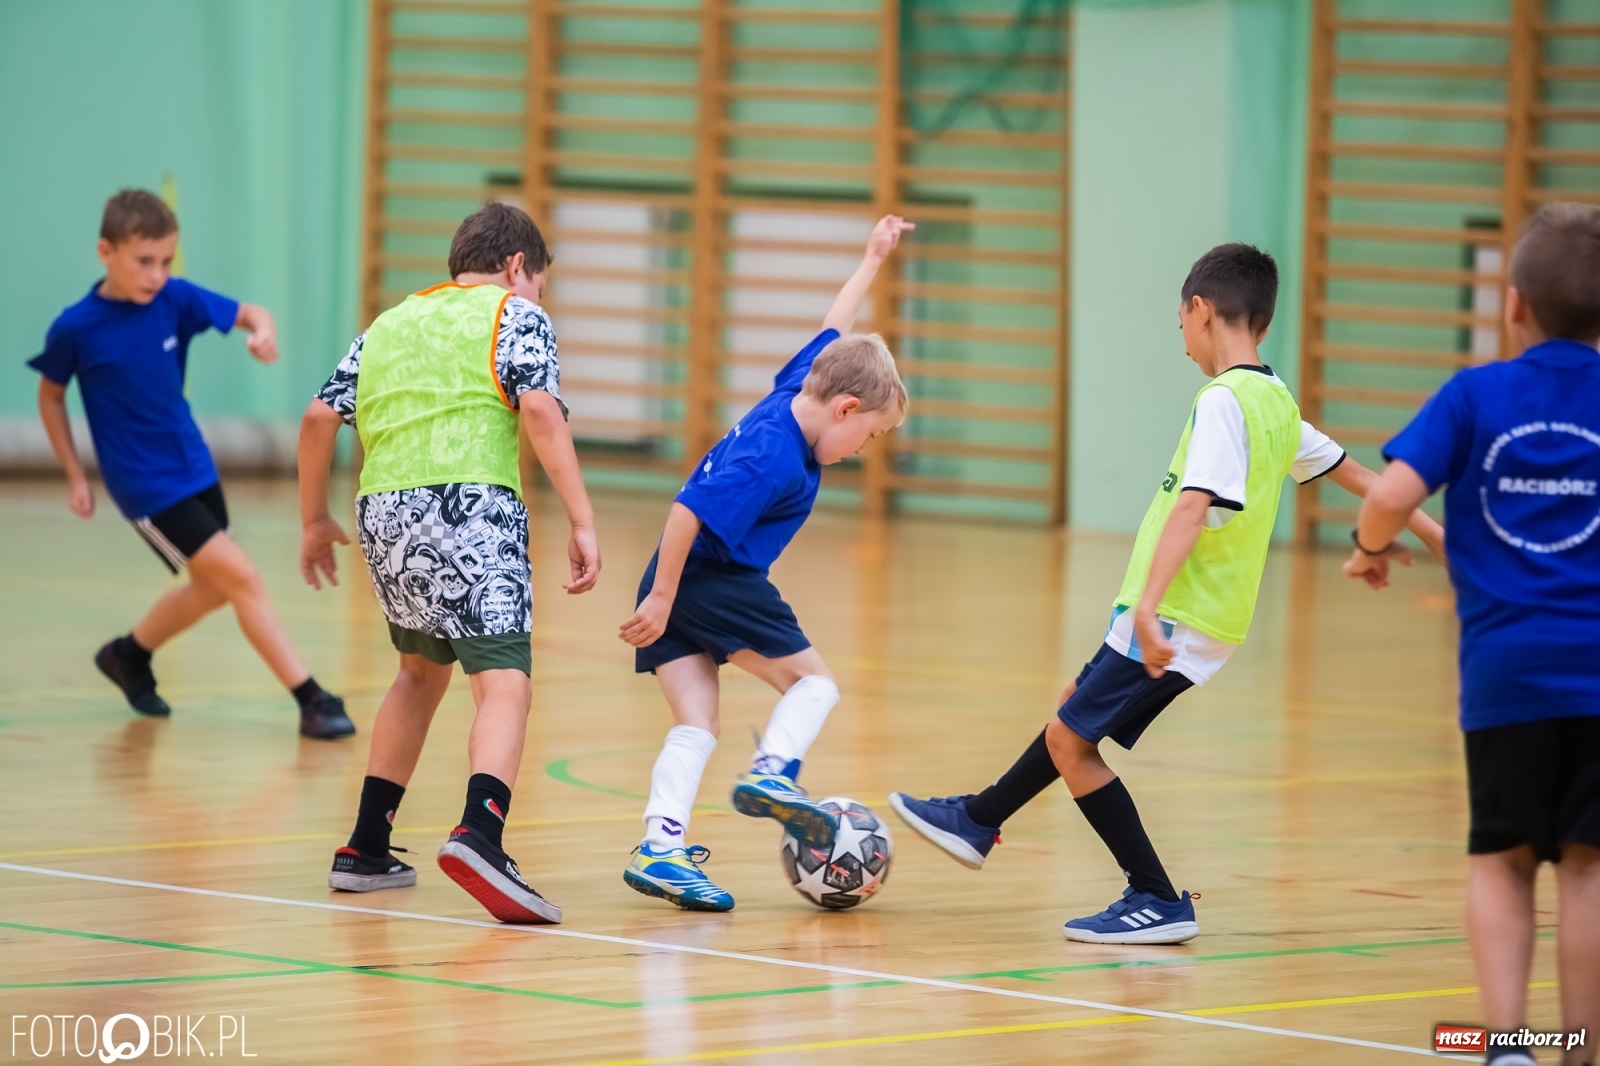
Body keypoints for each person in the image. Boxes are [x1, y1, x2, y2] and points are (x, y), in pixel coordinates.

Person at [891, 243, 1445, 944]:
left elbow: (1193, 507)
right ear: (1264, 325)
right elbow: (1366, 477)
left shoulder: (1222, 402)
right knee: (1073, 710)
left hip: (1180, 610)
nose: (1182, 341)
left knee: (1072, 743)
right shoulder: (1273, 402)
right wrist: (1434, 533)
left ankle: (1155, 896)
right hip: (1201, 613)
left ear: (1200, 310)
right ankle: (979, 818)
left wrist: (1147, 608)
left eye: (1181, 322)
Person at [298, 202, 600, 924]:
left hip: (384, 513)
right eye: (539, 285)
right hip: (471, 508)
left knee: (418, 673)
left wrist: (314, 518)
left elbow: (317, 419)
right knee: (505, 685)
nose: (536, 300)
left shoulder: (389, 324)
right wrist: (583, 518)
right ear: (517, 267)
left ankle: (367, 846)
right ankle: (481, 835)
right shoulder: (516, 314)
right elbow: (539, 413)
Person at [1347, 202, 1599, 1066]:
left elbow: (1386, 497)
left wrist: (1370, 550)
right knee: (1588, 869)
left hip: (1506, 678)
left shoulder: (1476, 394)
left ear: (1514, 302)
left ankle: (1510, 1048)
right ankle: (1583, 1052)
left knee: (1503, 858)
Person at [617, 215, 913, 911]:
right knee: (815, 687)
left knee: (695, 723)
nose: (861, 451)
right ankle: (775, 771)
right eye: (866, 437)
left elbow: (836, 327)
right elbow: (688, 506)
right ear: (844, 409)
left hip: (679, 580)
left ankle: (661, 848)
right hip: (707, 578)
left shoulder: (796, 390)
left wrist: (872, 259)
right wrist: (663, 598)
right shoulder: (774, 456)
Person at [28, 188, 352, 739]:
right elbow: (51, 397)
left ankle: (128, 655)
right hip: (145, 486)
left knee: (212, 588)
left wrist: (264, 331)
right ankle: (311, 699)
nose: (157, 275)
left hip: (195, 466)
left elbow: (251, 313)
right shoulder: (76, 327)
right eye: (144, 261)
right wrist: (76, 476)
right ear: (106, 251)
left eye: (165, 261)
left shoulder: (175, 299)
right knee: (243, 578)